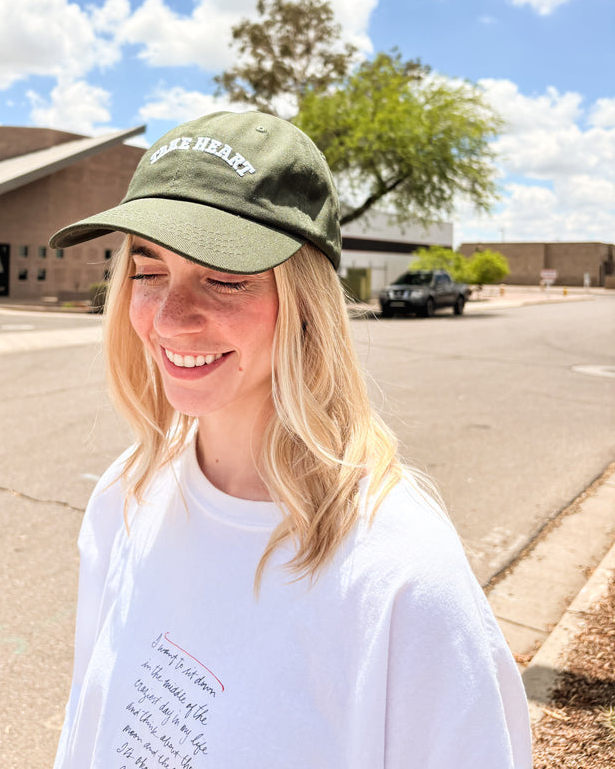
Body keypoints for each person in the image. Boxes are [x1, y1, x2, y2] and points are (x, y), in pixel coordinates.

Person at [49, 110, 532, 769]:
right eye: (148, 268)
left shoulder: (402, 583)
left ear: (306, 302)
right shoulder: (125, 498)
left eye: (223, 276)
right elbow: (87, 728)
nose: (169, 319)